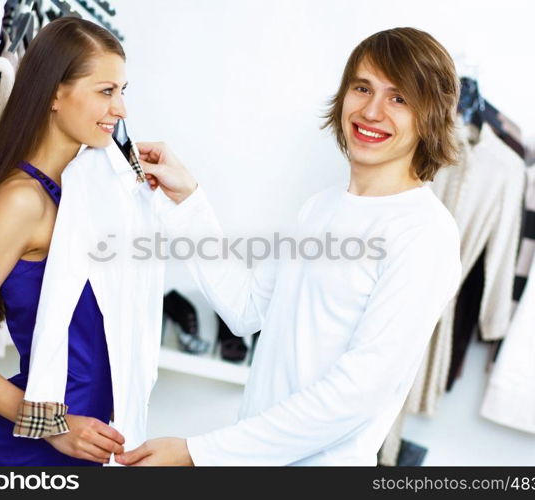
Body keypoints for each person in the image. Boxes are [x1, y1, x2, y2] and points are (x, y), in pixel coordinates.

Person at [115, 27, 463, 466]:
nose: (372, 111)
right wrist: (188, 202)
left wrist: (197, 453)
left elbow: (354, 397)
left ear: (430, 115)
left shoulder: (425, 233)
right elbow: (245, 310)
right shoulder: (319, 209)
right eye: (362, 88)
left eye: (399, 98)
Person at [0, 18, 129, 466]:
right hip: (26, 452)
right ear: (54, 94)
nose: (120, 109)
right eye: (107, 91)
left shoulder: (83, 195)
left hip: (85, 447)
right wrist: (50, 425)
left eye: (124, 92)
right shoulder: (23, 201)